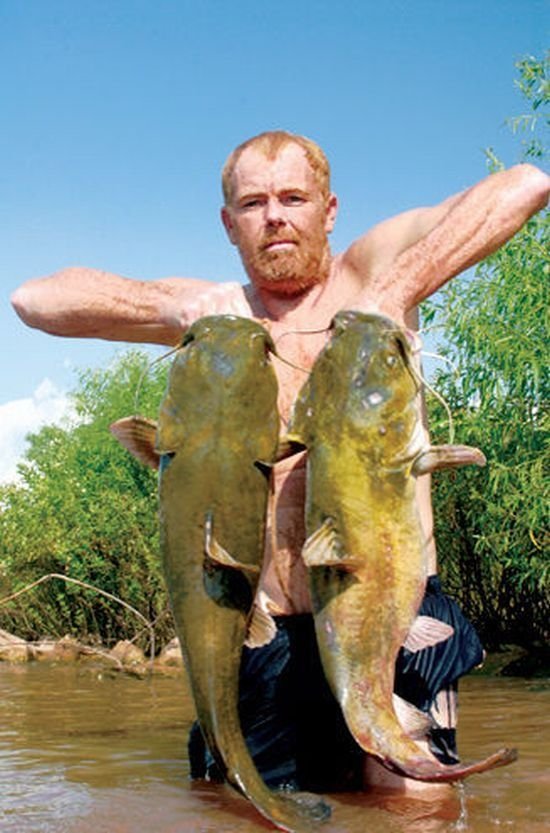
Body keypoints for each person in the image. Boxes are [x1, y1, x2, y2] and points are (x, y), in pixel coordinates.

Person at [11, 131, 549, 793]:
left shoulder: (372, 273)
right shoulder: (217, 317)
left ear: (329, 208)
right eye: (253, 202)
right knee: (240, 806)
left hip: (386, 609)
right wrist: (168, 306)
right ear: (228, 223)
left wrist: (396, 290)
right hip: (261, 628)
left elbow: (526, 184)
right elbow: (34, 299)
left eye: (293, 197)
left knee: (416, 798)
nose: (275, 215)